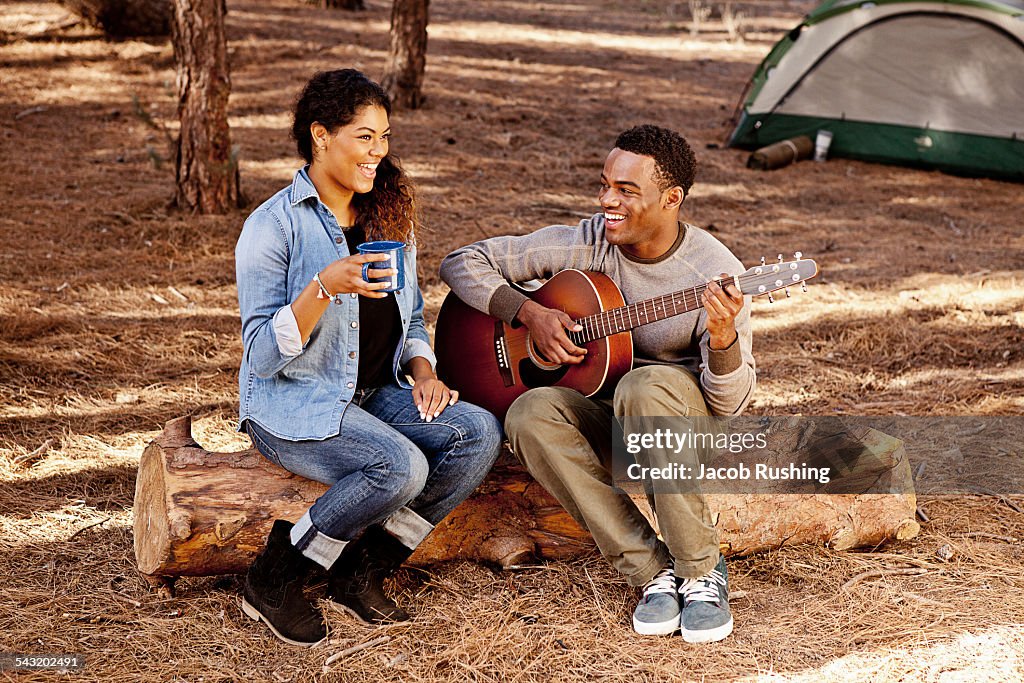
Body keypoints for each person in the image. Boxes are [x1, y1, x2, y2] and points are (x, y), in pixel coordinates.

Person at [439, 124, 755, 644]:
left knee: (644, 386)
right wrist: (530, 314)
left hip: (677, 432)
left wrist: (723, 341)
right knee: (528, 412)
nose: (607, 200)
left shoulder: (715, 271)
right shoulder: (586, 242)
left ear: (672, 199)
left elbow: (730, 405)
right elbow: (461, 263)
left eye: (626, 190)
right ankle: (651, 570)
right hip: (606, 425)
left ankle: (701, 571)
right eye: (605, 184)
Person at [234, 69, 502, 647]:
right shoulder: (272, 226)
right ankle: (276, 575)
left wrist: (425, 370)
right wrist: (322, 288)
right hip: (293, 404)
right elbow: (259, 357)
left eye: (384, 137)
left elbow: (409, 316)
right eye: (364, 137)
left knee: (477, 430)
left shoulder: (387, 216)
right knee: (401, 467)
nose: (378, 152)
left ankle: (363, 570)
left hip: (374, 395)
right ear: (321, 136)